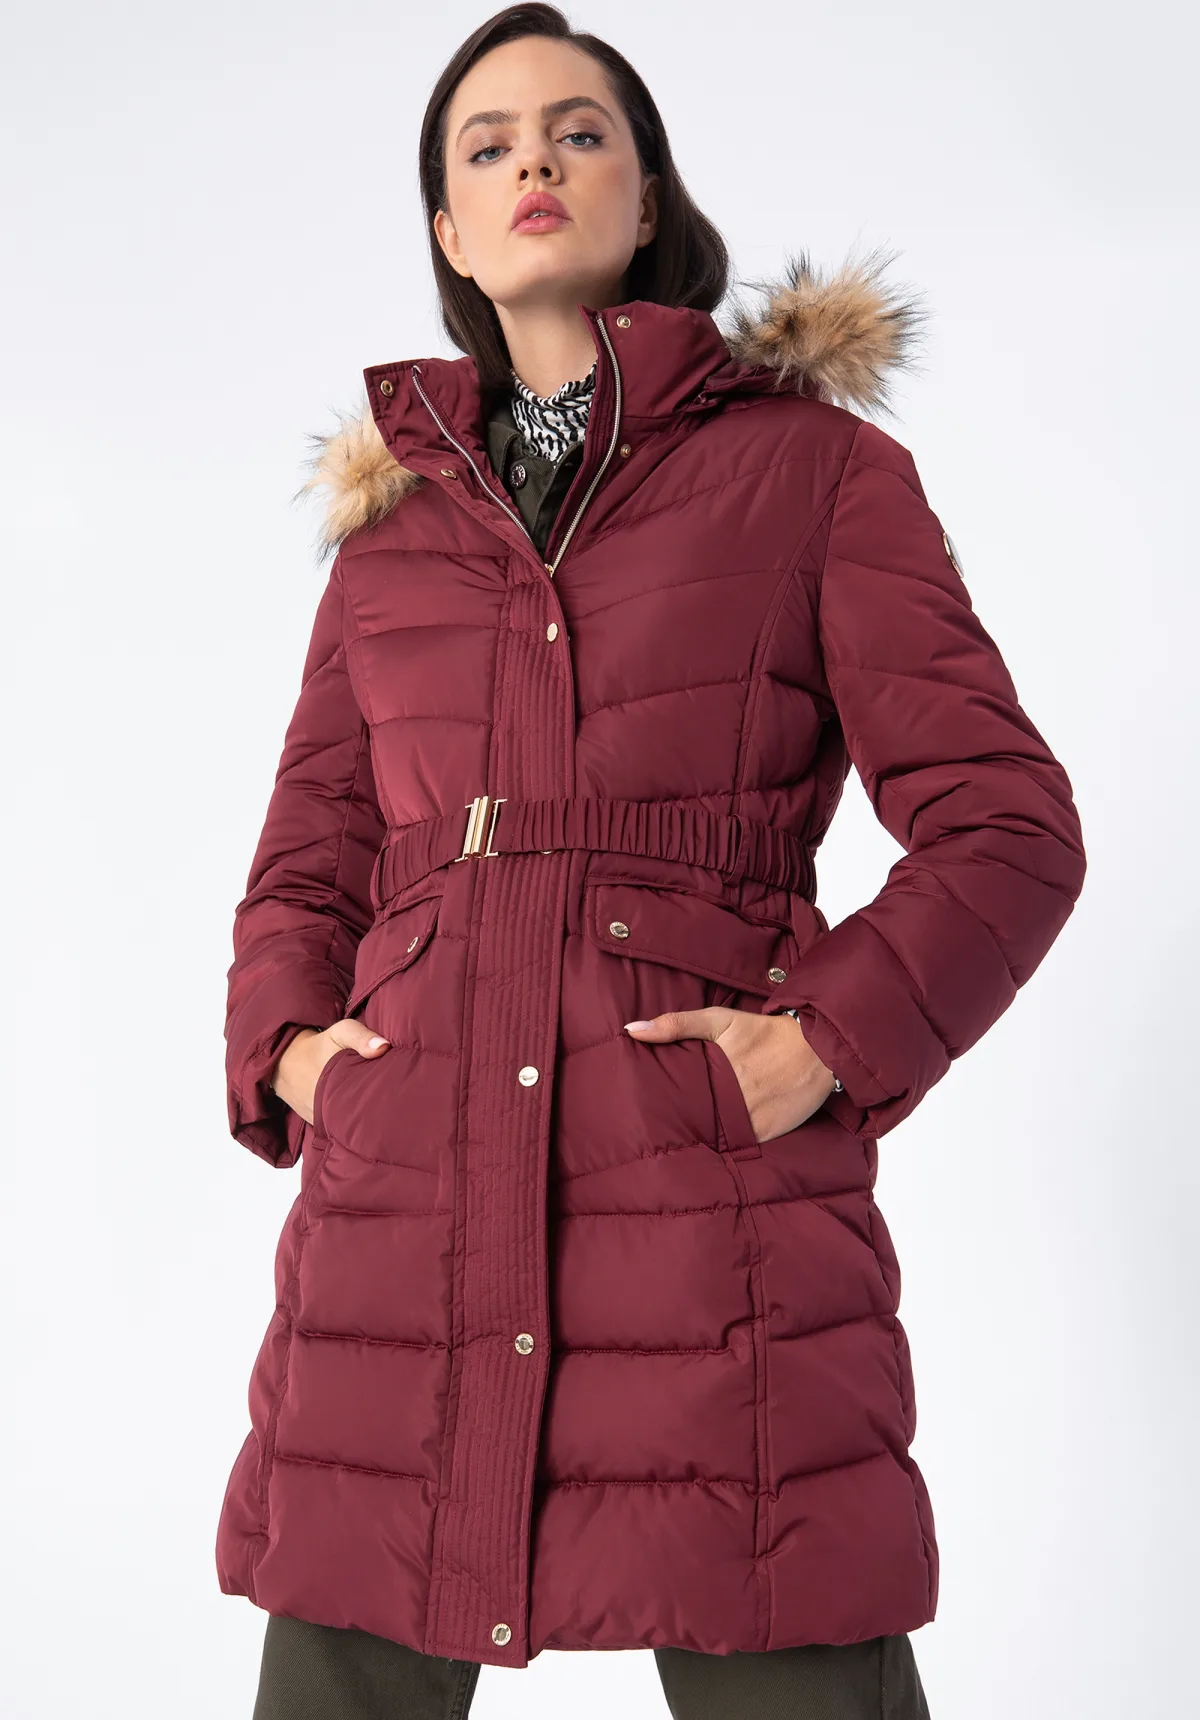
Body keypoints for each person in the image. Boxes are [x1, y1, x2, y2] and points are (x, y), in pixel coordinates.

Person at [217, 6, 1087, 1717]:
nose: (534, 159)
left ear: (647, 192)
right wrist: (300, 1056)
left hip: (717, 1229)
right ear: (453, 231)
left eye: (579, 129)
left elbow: (1007, 823)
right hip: (402, 1232)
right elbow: (307, 865)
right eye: (487, 146)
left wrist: (824, 1042)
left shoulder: (815, 475)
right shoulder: (390, 542)